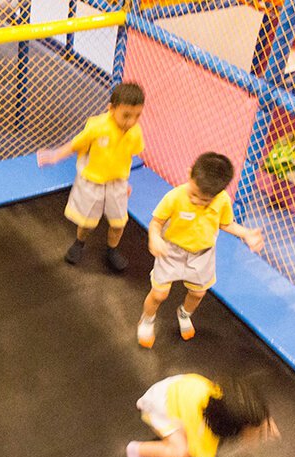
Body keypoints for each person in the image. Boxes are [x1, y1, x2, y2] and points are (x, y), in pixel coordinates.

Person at [136, 152, 264, 348]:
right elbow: (157, 222)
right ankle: (147, 319)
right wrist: (154, 237)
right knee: (159, 294)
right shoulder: (175, 197)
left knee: (197, 294)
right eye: (194, 194)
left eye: (205, 200)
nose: (197, 201)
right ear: (190, 174)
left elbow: (225, 223)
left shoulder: (222, 201)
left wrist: (245, 233)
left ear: (218, 193)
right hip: (171, 251)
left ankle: (184, 314)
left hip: (202, 254)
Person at [37, 82, 145, 271]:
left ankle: (112, 250)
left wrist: (125, 182)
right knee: (87, 222)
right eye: (126, 116)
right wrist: (55, 156)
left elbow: (126, 157)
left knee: (119, 222)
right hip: (92, 181)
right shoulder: (97, 126)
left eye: (137, 116)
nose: (131, 122)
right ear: (111, 109)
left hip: (116, 183)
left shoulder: (135, 132)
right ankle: (79, 242)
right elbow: (75, 145)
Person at [126, 374, 279, 457]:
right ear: (230, 429)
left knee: (192, 442)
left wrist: (261, 420)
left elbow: (246, 408)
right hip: (157, 406)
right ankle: (136, 450)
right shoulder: (206, 436)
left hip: (175, 389)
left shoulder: (222, 396)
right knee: (183, 453)